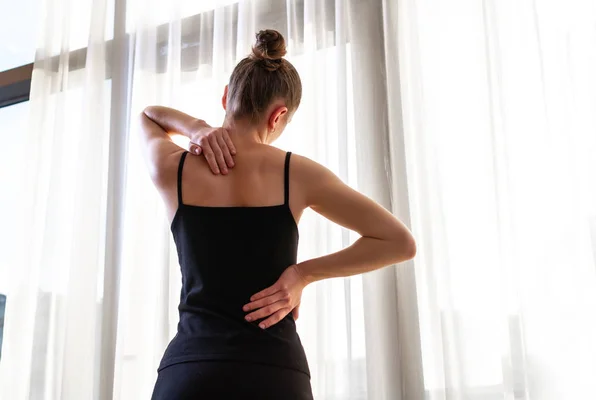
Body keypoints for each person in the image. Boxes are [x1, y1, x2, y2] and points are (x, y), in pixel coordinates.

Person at [139, 29, 416, 400]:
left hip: (190, 371)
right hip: (274, 372)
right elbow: (399, 242)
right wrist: (303, 274)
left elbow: (148, 116)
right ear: (278, 115)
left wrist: (197, 128)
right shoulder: (297, 174)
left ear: (225, 97)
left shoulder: (175, 168)